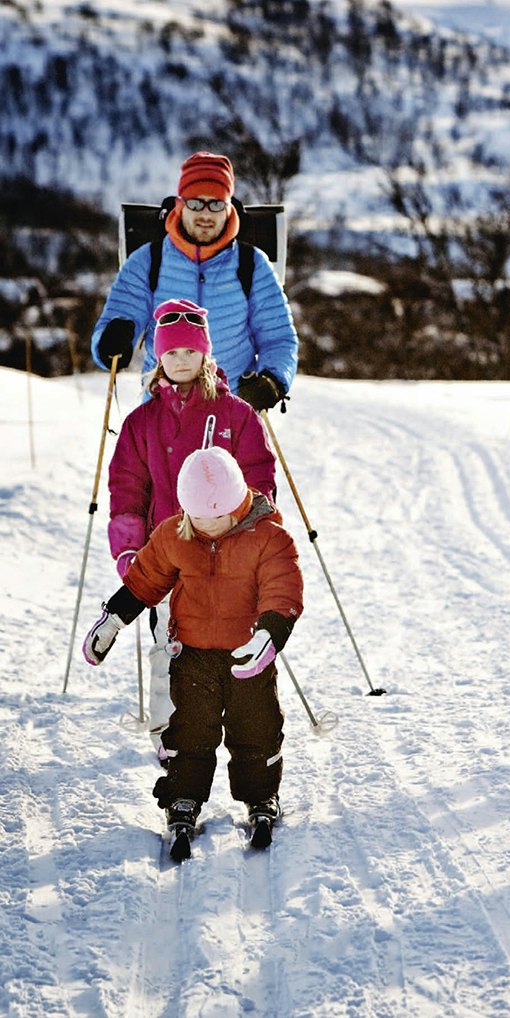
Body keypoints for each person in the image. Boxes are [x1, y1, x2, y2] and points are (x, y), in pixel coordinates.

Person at [82, 445, 304, 850]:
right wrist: (113, 618)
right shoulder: (174, 534)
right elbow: (145, 579)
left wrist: (269, 635)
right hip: (193, 656)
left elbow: (282, 589)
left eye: (218, 516)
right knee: (190, 733)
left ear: (238, 501)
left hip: (247, 656)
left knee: (258, 729)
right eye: (199, 517)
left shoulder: (268, 536)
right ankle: (183, 797)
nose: (209, 525)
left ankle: (260, 795)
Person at [107, 298, 277, 756]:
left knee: (230, 640)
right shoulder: (141, 423)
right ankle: (172, 735)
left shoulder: (235, 414)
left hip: (230, 553)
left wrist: (255, 533)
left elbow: (259, 477)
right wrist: (130, 552)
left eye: (189, 351)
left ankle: (244, 731)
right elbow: (126, 490)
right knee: (170, 647)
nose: (180, 360)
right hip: (168, 559)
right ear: (158, 358)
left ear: (205, 353)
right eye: (170, 352)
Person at [90, 151, 298, 411]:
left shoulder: (253, 265)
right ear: (180, 204)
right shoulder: (147, 261)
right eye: (196, 203)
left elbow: (279, 339)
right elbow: (113, 324)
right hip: (162, 416)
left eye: (216, 204)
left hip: (233, 414)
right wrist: (109, 344)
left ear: (229, 207)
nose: (206, 214)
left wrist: (273, 380)